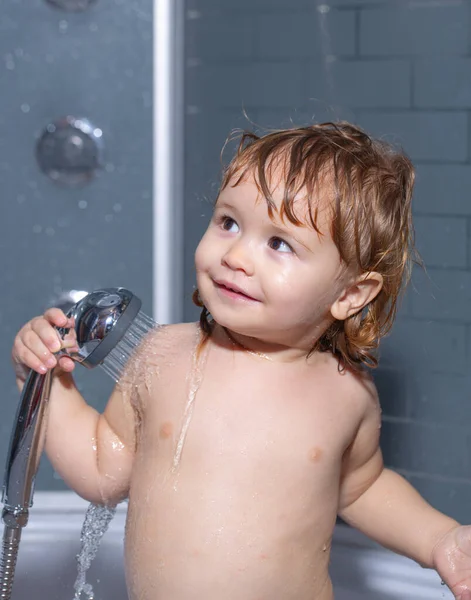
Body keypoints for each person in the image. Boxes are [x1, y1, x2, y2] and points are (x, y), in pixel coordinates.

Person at [11, 121, 471, 600]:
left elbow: (363, 488)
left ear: (352, 293)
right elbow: (102, 471)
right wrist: (43, 383)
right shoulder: (162, 356)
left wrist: (439, 539)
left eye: (279, 244)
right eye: (229, 222)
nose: (236, 256)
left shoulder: (344, 393)